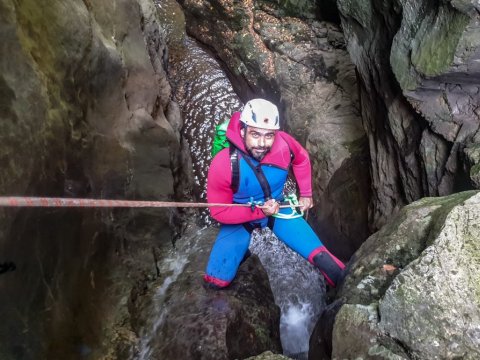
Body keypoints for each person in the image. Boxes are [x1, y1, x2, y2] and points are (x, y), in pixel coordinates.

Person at [204, 98, 345, 289]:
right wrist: (261, 212)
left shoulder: (284, 145)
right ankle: (242, 252)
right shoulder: (223, 164)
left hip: (278, 206)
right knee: (216, 282)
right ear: (243, 130)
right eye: (255, 134)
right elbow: (218, 212)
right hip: (240, 215)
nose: (262, 143)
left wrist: (305, 193)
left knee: (330, 266)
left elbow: (301, 159)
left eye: (269, 135)